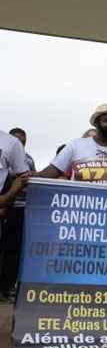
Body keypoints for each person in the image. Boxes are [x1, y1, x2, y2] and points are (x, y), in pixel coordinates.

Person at [0, 129, 30, 303]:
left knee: (9, 251)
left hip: (10, 208)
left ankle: (5, 287)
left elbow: (22, 177)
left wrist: (5, 199)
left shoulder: (10, 143)